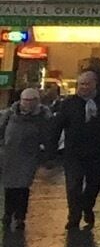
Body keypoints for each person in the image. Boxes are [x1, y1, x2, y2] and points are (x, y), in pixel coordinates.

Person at [54, 65, 100, 233]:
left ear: (95, 84)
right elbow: (56, 126)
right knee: (73, 185)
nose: (83, 88)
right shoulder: (69, 103)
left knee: (93, 185)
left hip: (98, 152)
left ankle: (87, 207)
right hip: (74, 152)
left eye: (86, 84)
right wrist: (51, 151)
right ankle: (74, 217)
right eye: (80, 84)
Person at [3, 85, 50, 231]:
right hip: (9, 155)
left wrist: (47, 155)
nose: (27, 103)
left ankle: (20, 216)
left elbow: (48, 137)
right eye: (25, 100)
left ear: (37, 101)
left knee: (23, 187)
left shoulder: (44, 117)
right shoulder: (9, 114)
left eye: (31, 100)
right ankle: (8, 213)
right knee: (9, 186)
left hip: (29, 156)